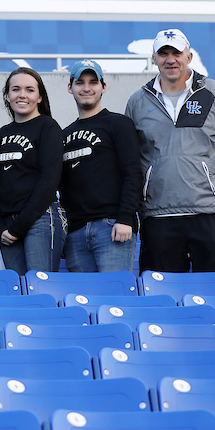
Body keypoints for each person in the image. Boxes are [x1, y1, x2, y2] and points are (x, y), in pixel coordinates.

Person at [125, 28, 215, 272]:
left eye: (176, 53)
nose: (170, 60)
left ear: (188, 57)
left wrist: (210, 179)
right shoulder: (138, 101)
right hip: (158, 214)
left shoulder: (214, 93)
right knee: (162, 291)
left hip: (210, 211)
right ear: (154, 59)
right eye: (163, 54)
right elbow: (132, 158)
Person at [61, 59, 141, 273]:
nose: (86, 88)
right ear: (70, 88)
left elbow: (133, 173)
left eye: (93, 82)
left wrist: (125, 218)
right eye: (80, 82)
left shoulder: (118, 123)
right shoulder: (63, 135)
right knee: (85, 294)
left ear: (103, 87)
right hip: (75, 233)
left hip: (112, 226)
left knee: (113, 292)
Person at [0, 67, 64, 274]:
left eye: (30, 90)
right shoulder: (0, 134)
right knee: (19, 288)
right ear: (7, 95)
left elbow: (49, 181)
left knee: (39, 287)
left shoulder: (48, 127)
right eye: (16, 89)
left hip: (40, 220)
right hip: (7, 226)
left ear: (39, 97)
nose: (22, 95)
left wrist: (18, 227)